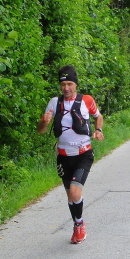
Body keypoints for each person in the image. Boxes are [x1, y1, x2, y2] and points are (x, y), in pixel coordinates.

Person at [36, 65, 104, 244]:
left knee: (74, 192)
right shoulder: (54, 102)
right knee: (70, 195)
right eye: (63, 84)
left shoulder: (86, 100)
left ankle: (80, 225)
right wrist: (44, 122)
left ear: (76, 84)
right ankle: (77, 224)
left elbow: (98, 116)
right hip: (63, 157)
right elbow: (41, 130)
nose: (66, 88)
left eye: (69, 84)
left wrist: (98, 130)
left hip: (83, 154)